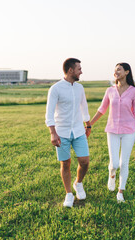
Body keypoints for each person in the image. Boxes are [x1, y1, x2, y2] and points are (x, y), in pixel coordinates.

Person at [90, 62, 135, 202]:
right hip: (112, 130)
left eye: (119, 69)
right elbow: (102, 109)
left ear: (126, 72)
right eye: (115, 70)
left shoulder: (134, 92)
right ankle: (111, 174)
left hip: (129, 131)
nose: (116, 72)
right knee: (114, 164)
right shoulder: (110, 91)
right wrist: (89, 124)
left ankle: (120, 191)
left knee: (123, 163)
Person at [45, 58, 92, 208]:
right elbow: (49, 113)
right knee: (65, 164)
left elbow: (84, 107)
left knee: (84, 162)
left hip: (79, 131)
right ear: (71, 70)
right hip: (61, 132)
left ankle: (78, 183)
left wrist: (88, 125)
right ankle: (68, 194)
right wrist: (53, 133)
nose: (81, 71)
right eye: (79, 69)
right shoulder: (55, 89)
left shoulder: (80, 88)